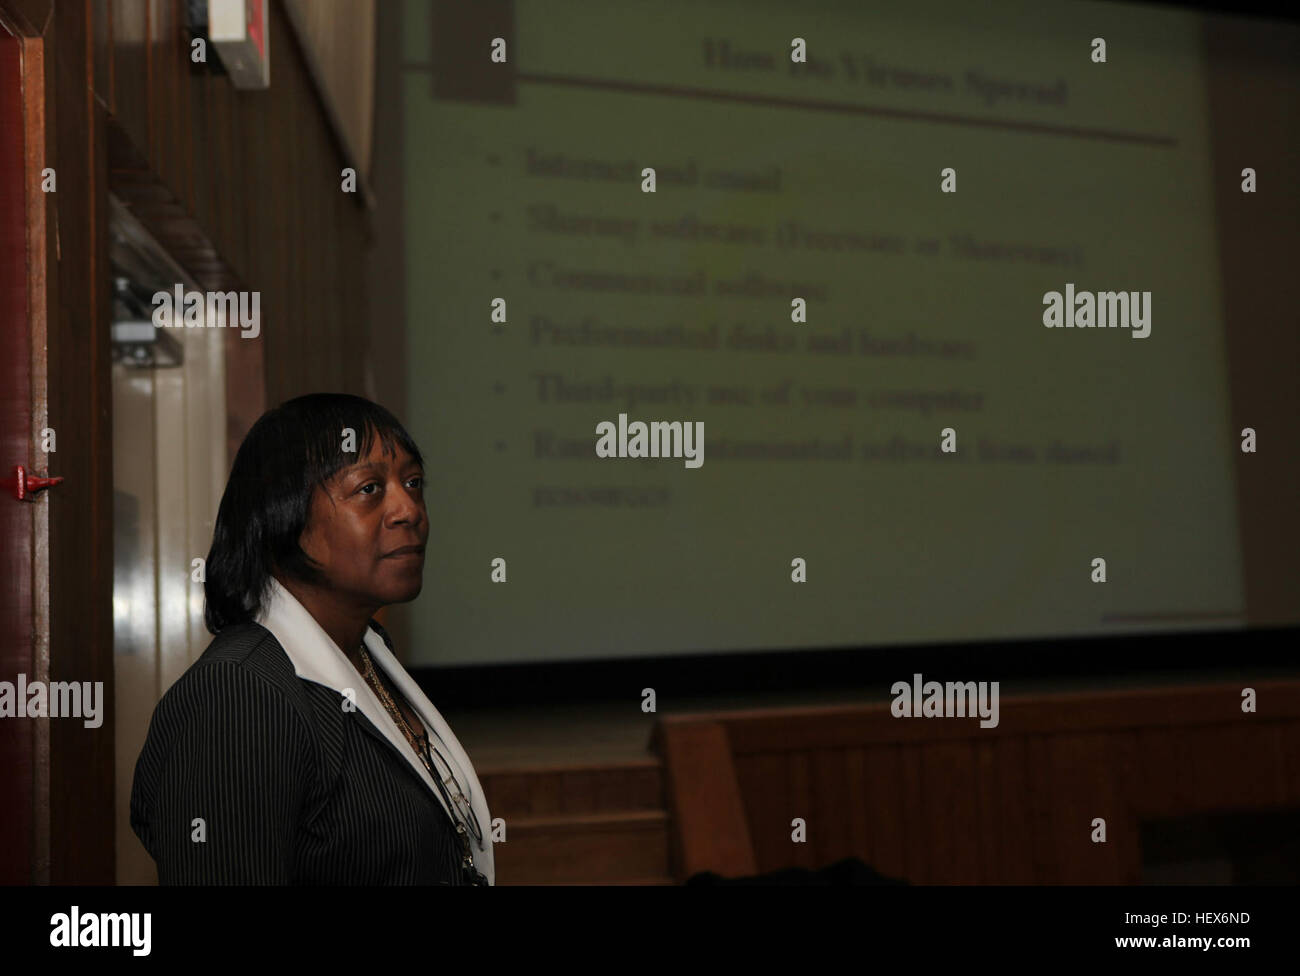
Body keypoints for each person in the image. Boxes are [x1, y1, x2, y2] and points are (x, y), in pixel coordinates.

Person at [130, 393, 493, 885]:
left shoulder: (368, 656)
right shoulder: (239, 694)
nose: (409, 509)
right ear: (286, 513)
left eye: (413, 483)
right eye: (369, 488)